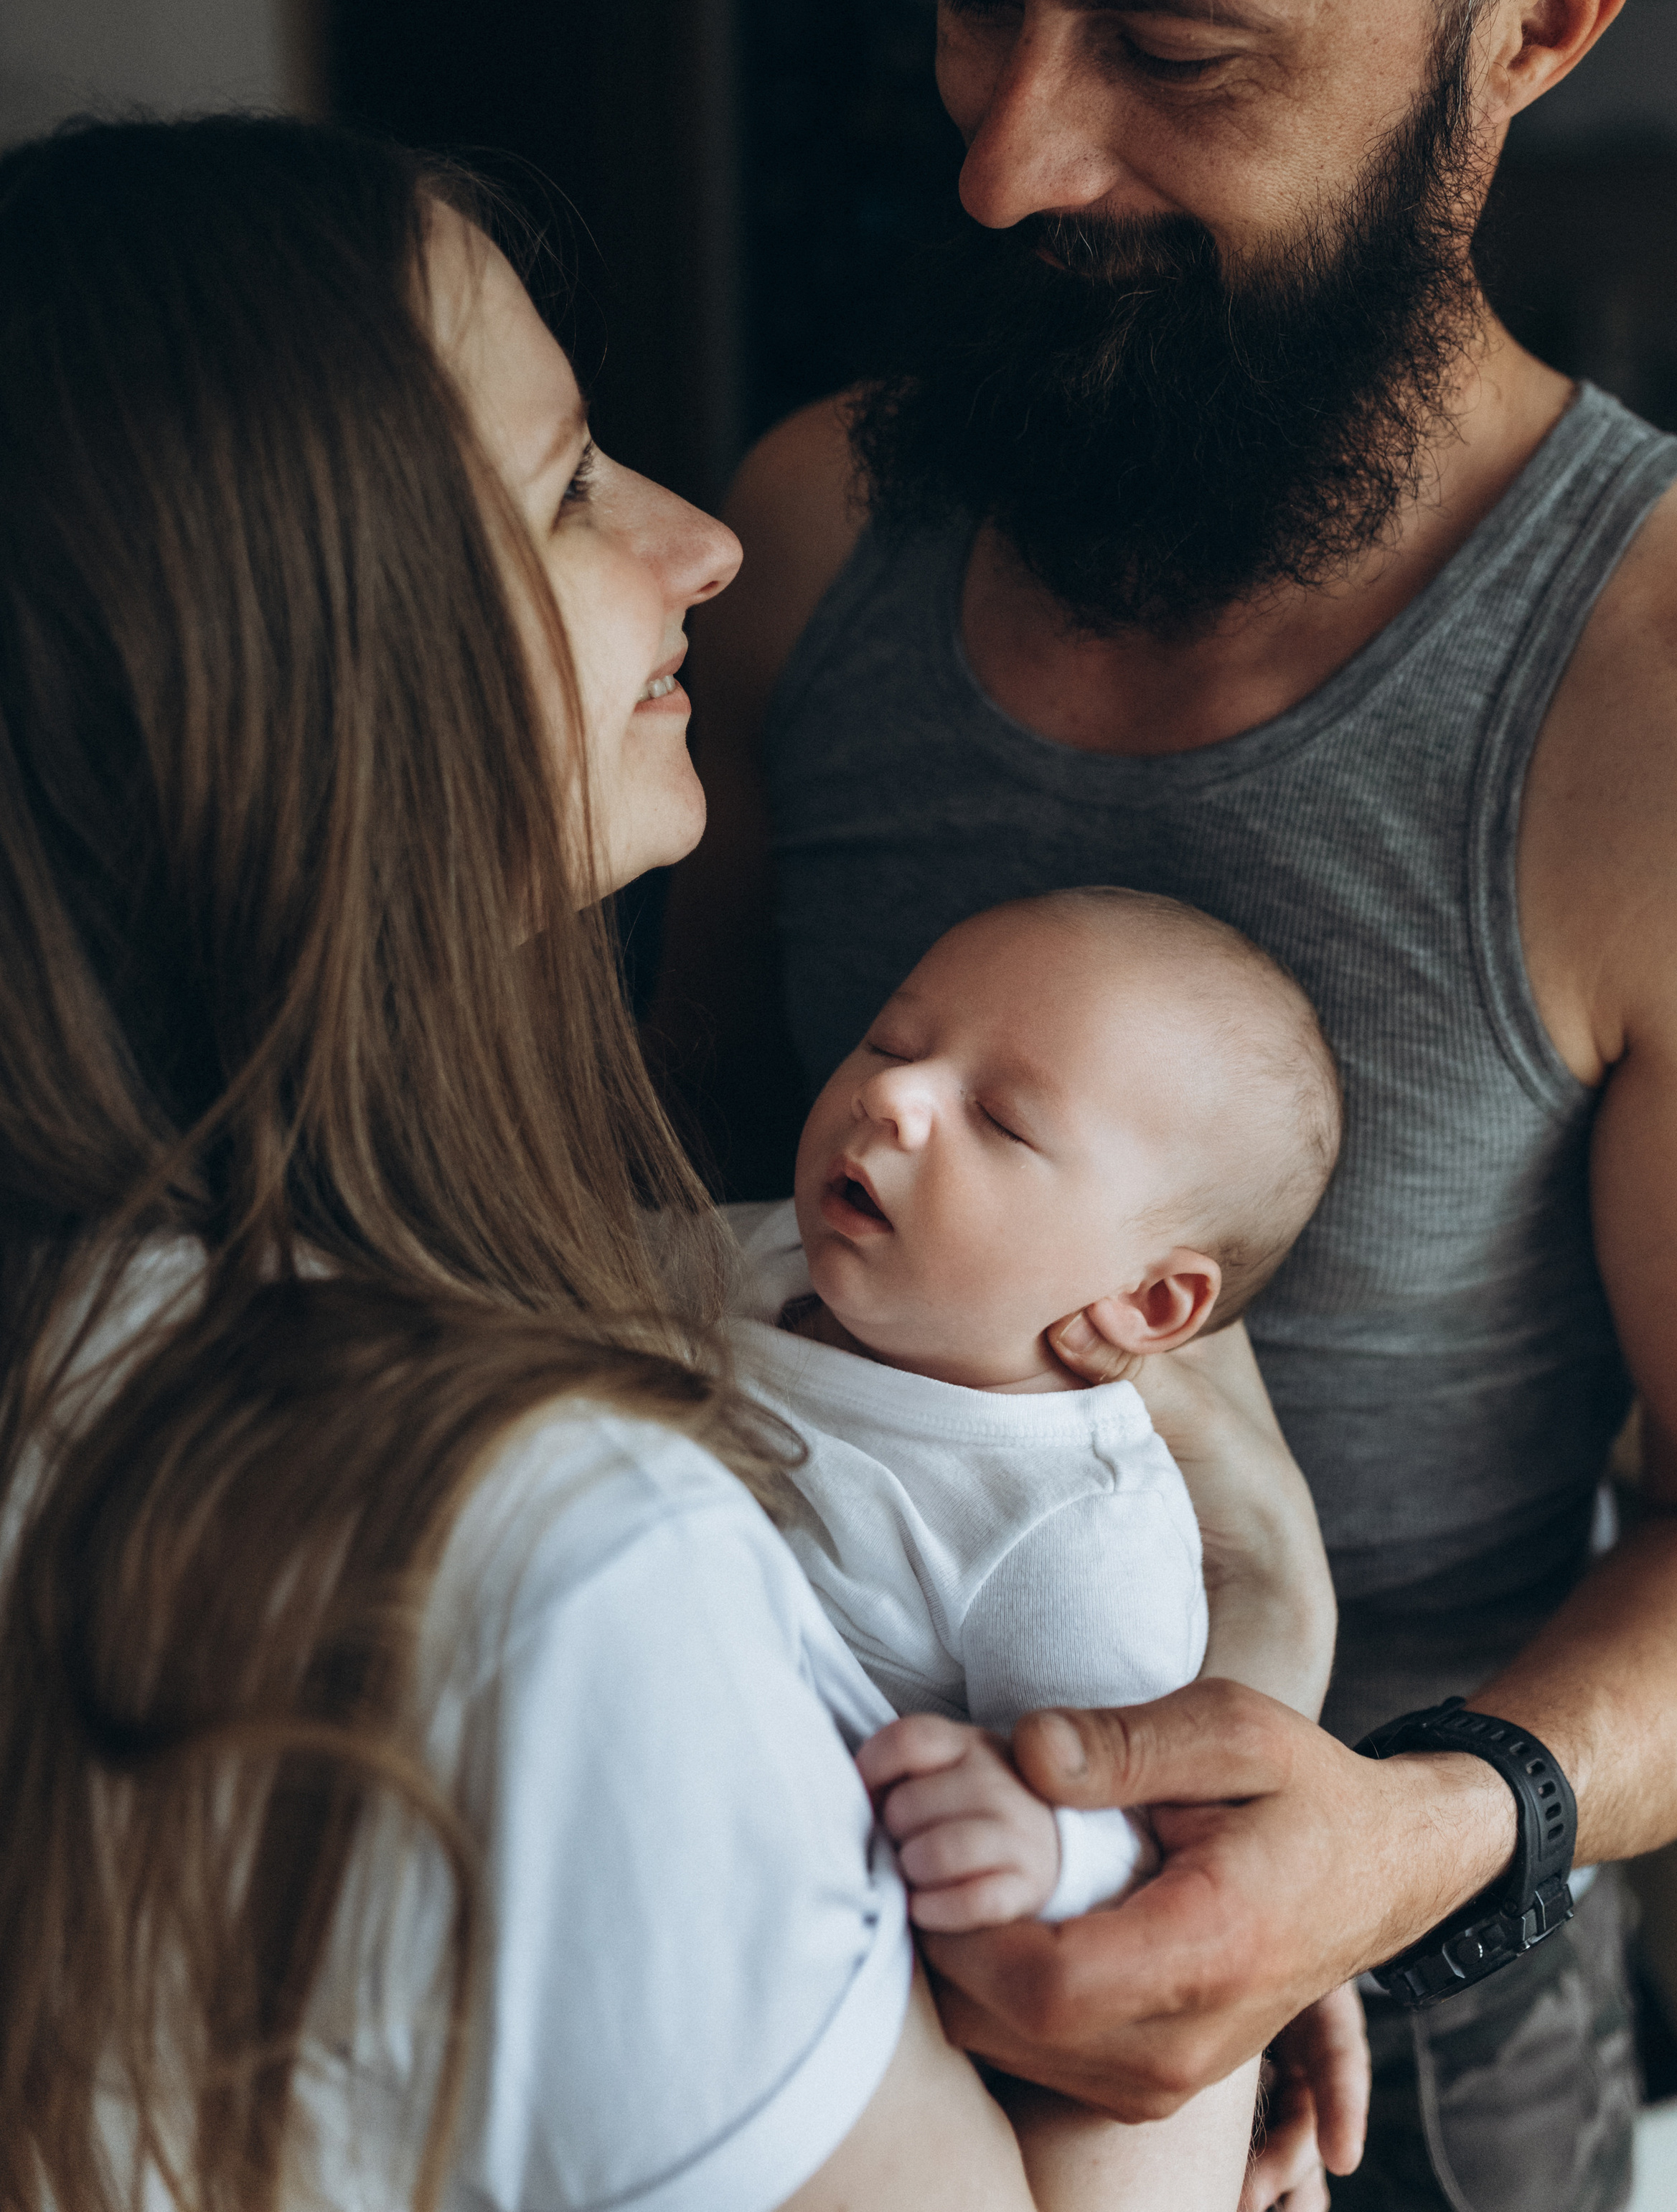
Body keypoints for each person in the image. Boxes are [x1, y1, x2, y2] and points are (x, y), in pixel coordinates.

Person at [650, 0, 1677, 2206]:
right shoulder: (816, 532)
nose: (1009, 160)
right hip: (804, 1957)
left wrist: (1411, 1841)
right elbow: (676, 1193)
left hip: (1403, 2072)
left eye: (1176, 55)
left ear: (1541, 24)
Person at [0, 111, 1333, 2212]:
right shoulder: (552, 1556)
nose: (704, 539)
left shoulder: (100, 1336)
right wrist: (1203, 1944)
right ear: (299, 670)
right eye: (566, 486)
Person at [727, 886, 1340, 1929]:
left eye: (1001, 1119)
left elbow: (1136, 1814)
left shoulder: (1071, 1531)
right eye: (890, 1042)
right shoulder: (767, 1254)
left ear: (1148, 1300)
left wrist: (1048, 1843)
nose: (897, 1096)